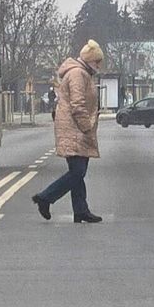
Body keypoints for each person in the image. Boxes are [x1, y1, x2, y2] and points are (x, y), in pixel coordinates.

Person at [32, 40, 104, 223]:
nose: (99, 66)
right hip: (75, 129)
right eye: (97, 61)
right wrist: (86, 127)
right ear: (89, 60)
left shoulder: (81, 73)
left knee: (77, 172)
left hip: (74, 128)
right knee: (77, 172)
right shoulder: (78, 74)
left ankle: (81, 210)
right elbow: (78, 104)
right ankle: (45, 197)